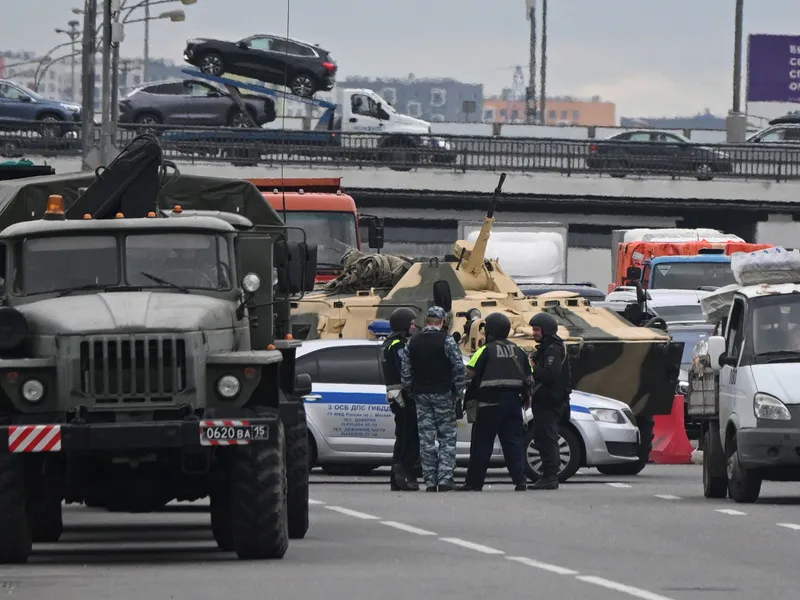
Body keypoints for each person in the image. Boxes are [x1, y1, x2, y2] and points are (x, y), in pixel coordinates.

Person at [459, 312, 530, 492]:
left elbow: (470, 373)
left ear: (489, 331)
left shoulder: (485, 350)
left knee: (482, 445)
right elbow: (529, 376)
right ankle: (520, 481)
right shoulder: (519, 351)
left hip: (488, 406)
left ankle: (474, 483)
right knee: (513, 444)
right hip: (514, 405)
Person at [401, 306, 466, 492]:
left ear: (426, 320)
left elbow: (405, 371)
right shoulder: (446, 340)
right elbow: (458, 368)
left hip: (421, 394)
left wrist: (410, 389)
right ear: (442, 321)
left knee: (426, 439)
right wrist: (459, 391)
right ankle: (445, 479)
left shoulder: (413, 341)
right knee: (447, 437)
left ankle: (430, 481)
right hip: (444, 394)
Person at [527, 312, 572, 490]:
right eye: (533, 329)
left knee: (547, 437)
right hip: (544, 400)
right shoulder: (546, 348)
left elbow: (550, 375)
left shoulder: (553, 349)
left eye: (537, 329)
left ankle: (550, 476)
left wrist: (532, 369)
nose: (534, 333)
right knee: (542, 437)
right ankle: (548, 475)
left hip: (550, 400)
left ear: (546, 330)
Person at [381, 307, 420, 492]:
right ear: (403, 325)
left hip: (397, 396)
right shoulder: (397, 344)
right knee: (408, 438)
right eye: (412, 323)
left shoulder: (390, 342)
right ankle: (404, 475)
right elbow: (405, 370)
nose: (414, 327)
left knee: (403, 438)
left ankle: (396, 477)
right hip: (403, 397)